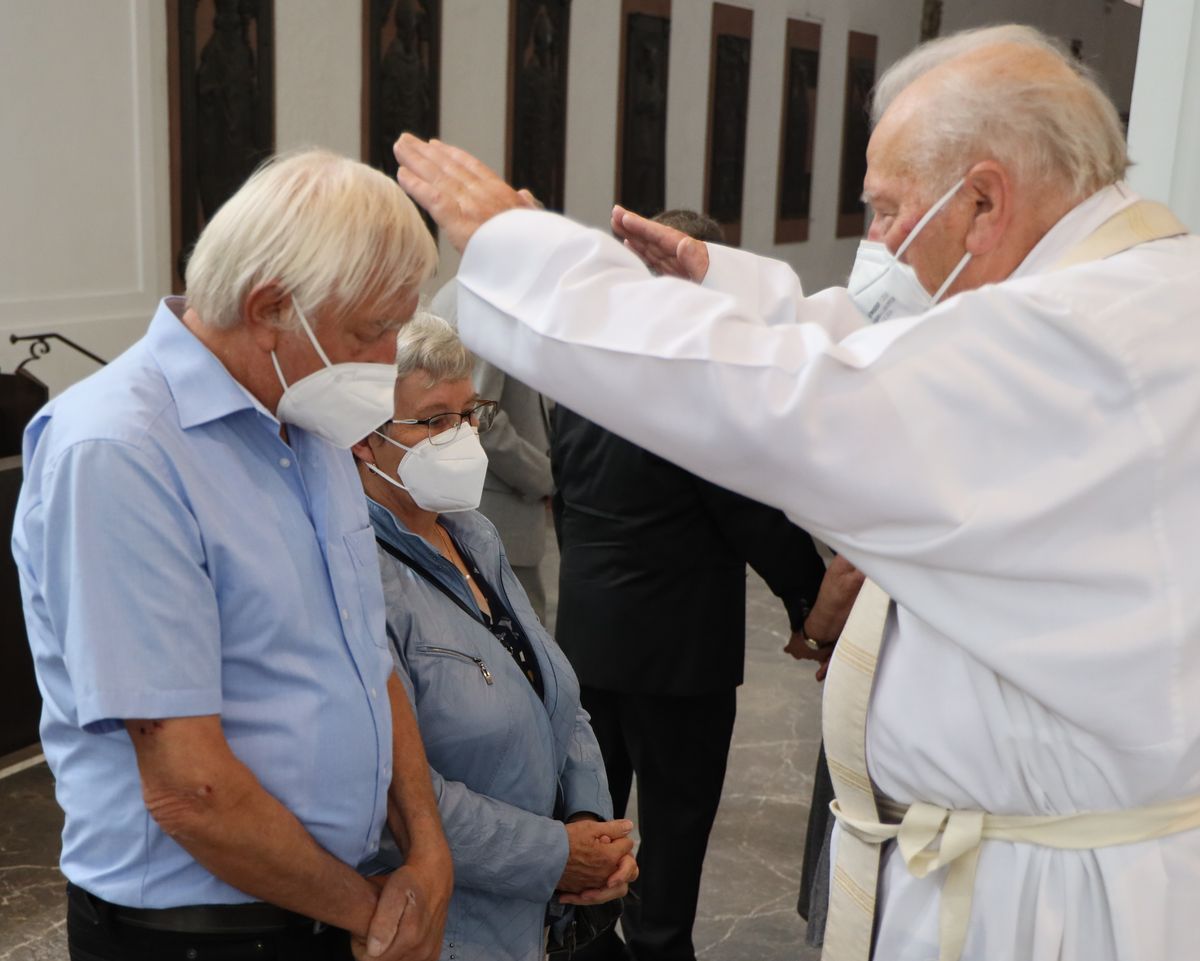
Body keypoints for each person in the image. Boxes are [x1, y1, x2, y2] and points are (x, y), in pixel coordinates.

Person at [390, 22, 1200, 961]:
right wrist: (715, 283)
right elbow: (879, 351)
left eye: (887, 210)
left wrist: (523, 252)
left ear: (984, 200)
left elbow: (798, 404)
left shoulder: (1064, 343)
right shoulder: (1130, 292)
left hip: (1045, 911)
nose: (877, 242)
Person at [12, 150, 453, 961]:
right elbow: (190, 788)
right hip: (199, 934)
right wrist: (372, 914)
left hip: (334, 902)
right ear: (270, 307)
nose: (390, 357)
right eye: (373, 330)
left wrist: (427, 849)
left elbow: (369, 659)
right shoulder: (121, 450)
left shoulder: (308, 420)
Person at [551, 209, 828, 961]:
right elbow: (753, 516)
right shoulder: (696, 382)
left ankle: (584, 949)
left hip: (588, 642)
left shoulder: (580, 376)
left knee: (591, 821)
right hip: (679, 654)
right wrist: (815, 608)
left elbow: (565, 502)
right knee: (672, 835)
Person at [351, 313, 636, 961]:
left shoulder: (473, 533)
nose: (459, 437)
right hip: (448, 925)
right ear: (364, 440)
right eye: (433, 421)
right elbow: (393, 793)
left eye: (468, 413)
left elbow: (552, 692)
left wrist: (588, 821)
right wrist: (555, 856)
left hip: (533, 918)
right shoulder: (356, 570)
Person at [430, 280, 555, 621]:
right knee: (518, 641)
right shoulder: (489, 303)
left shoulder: (459, 292)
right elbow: (480, 419)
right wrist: (545, 477)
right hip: (498, 512)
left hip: (488, 510)